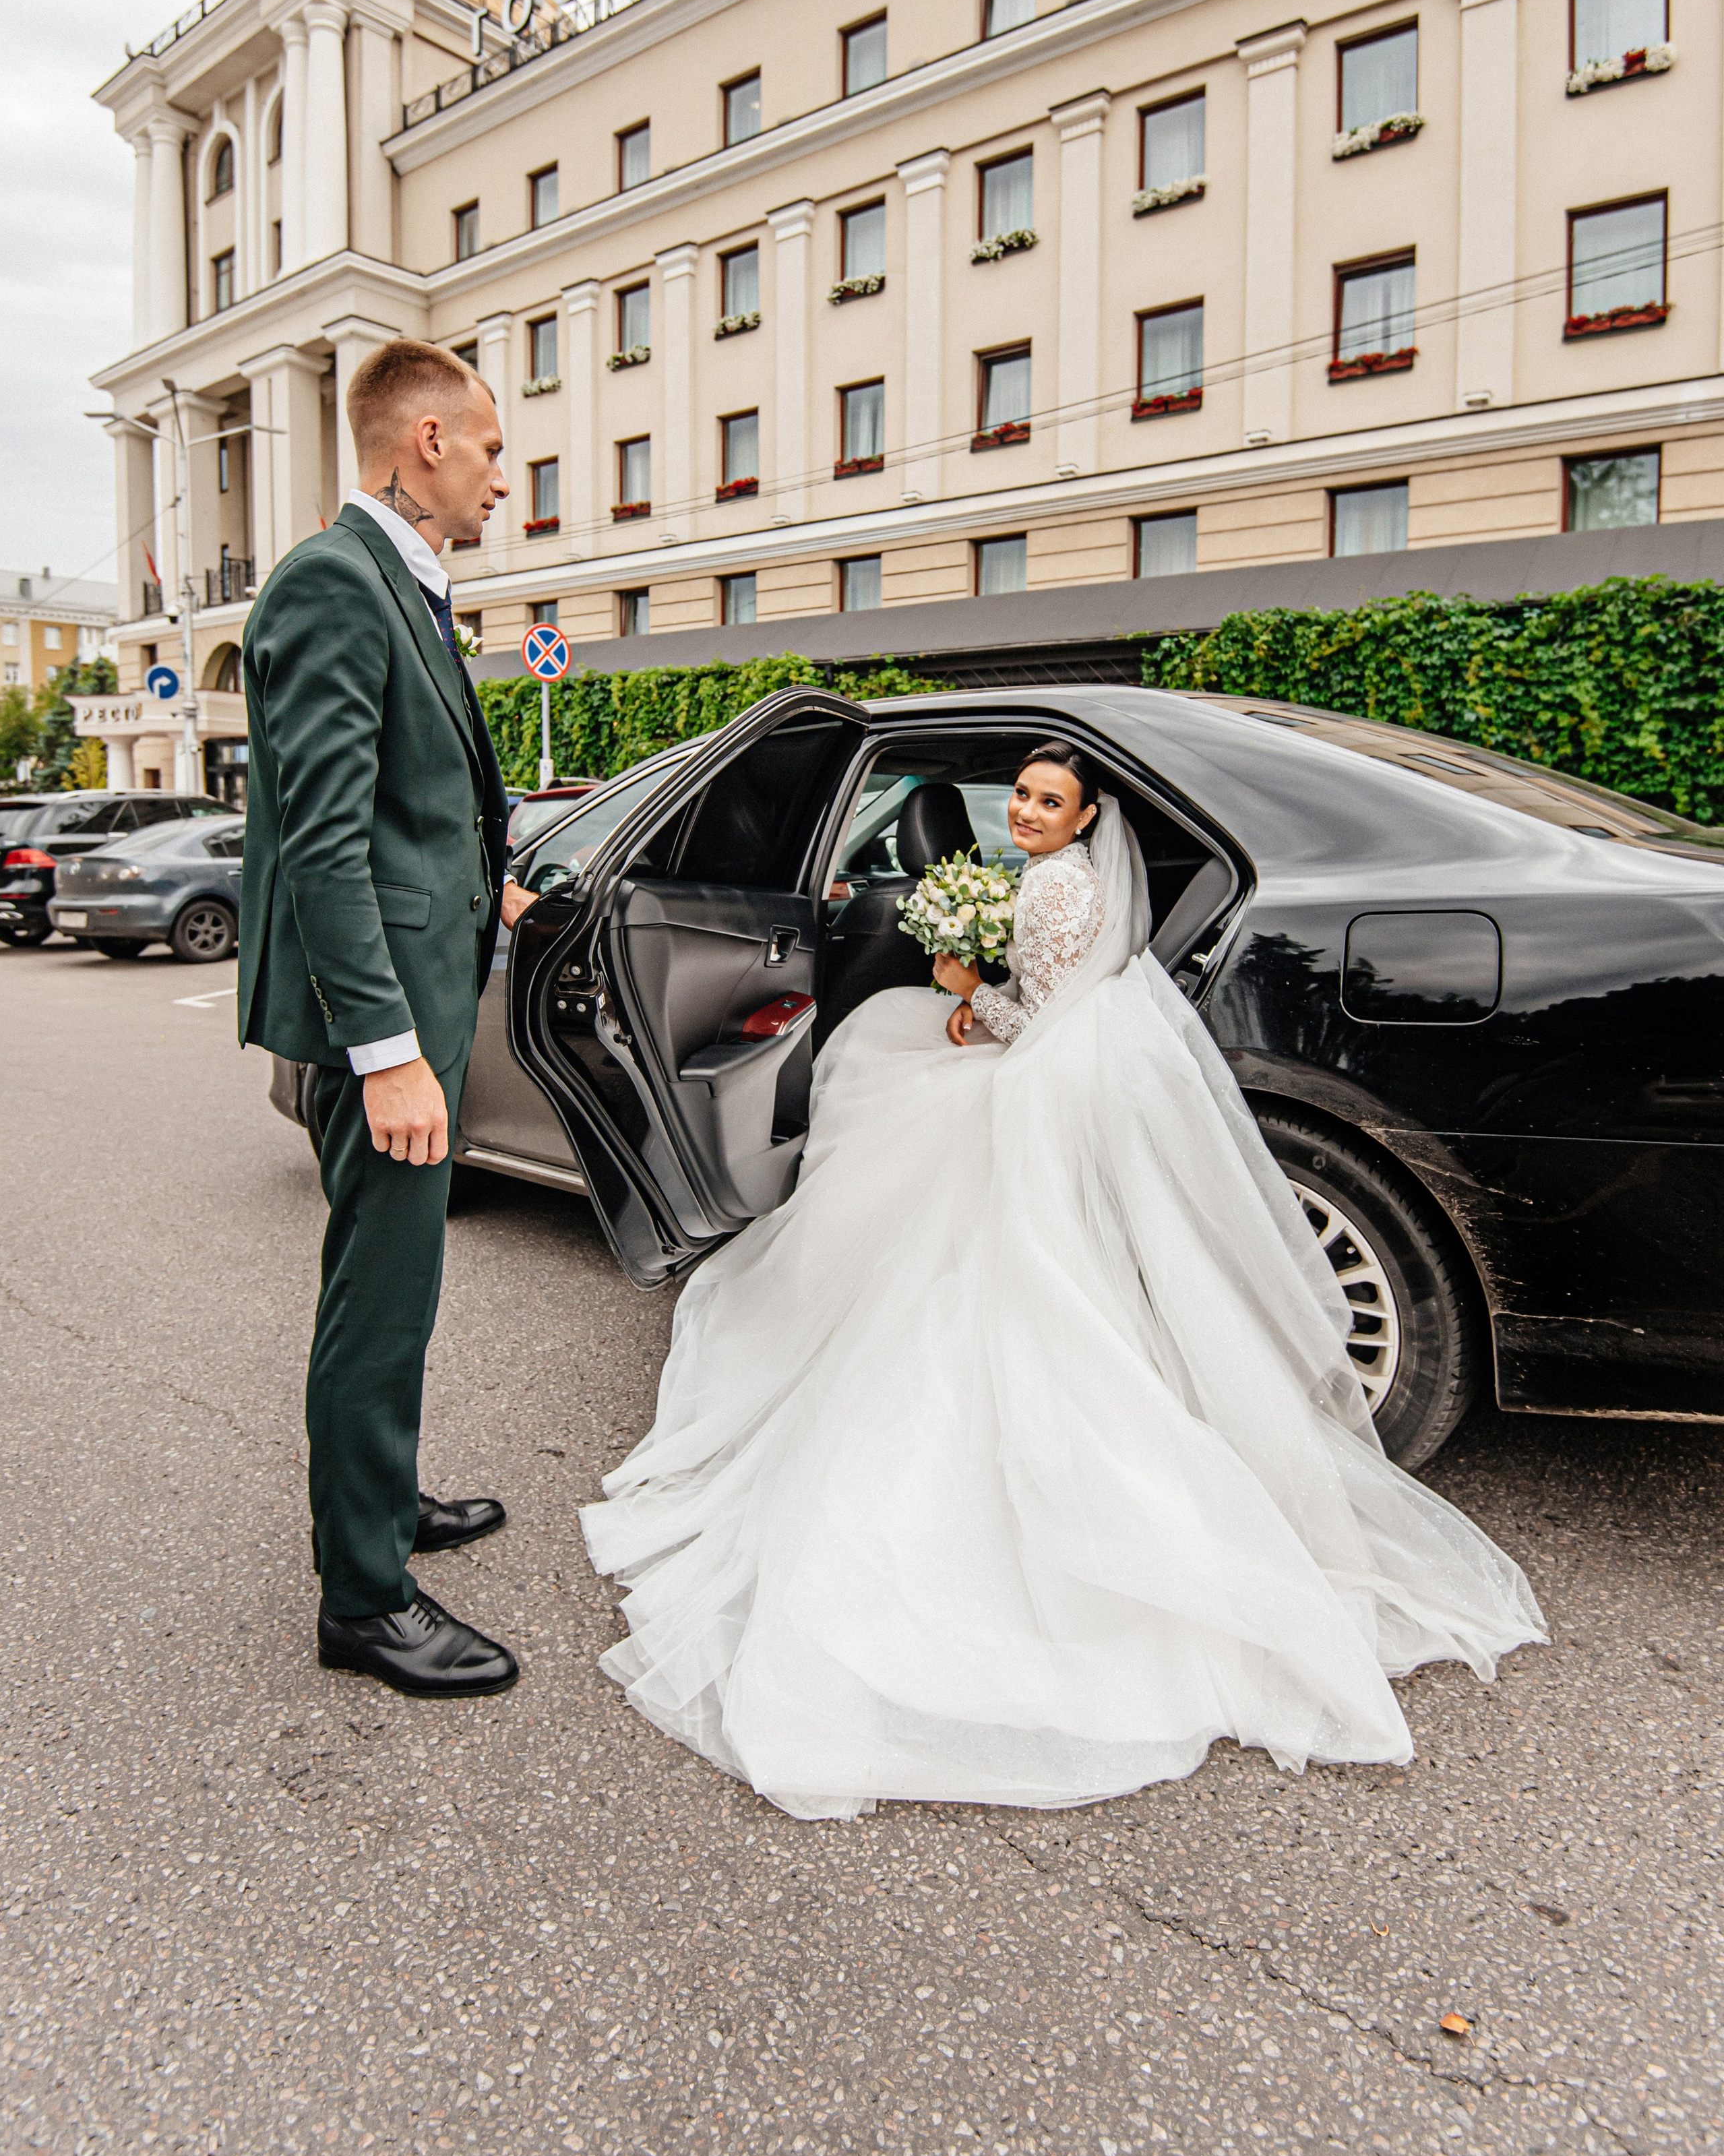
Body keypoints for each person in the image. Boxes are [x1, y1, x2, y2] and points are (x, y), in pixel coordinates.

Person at [581, 741, 1545, 1820]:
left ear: (1087, 821)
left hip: (1037, 1071)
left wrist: (959, 989)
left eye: (1050, 802)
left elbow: (1030, 1015)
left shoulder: (1047, 890)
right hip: (1070, 1068)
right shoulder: (1063, 881)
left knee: (874, 1065)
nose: (1031, 814)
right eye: (1025, 800)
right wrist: (973, 991)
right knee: (905, 1078)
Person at [239, 338, 533, 1698]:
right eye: (487, 450)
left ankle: (388, 1496)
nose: (499, 481)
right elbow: (322, 837)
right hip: (386, 1029)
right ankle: (363, 1597)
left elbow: (411, 805)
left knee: (399, 1287)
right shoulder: (331, 581)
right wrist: (388, 1052)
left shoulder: (402, 585)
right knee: (378, 1291)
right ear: (423, 439)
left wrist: (489, 882)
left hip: (417, 993)